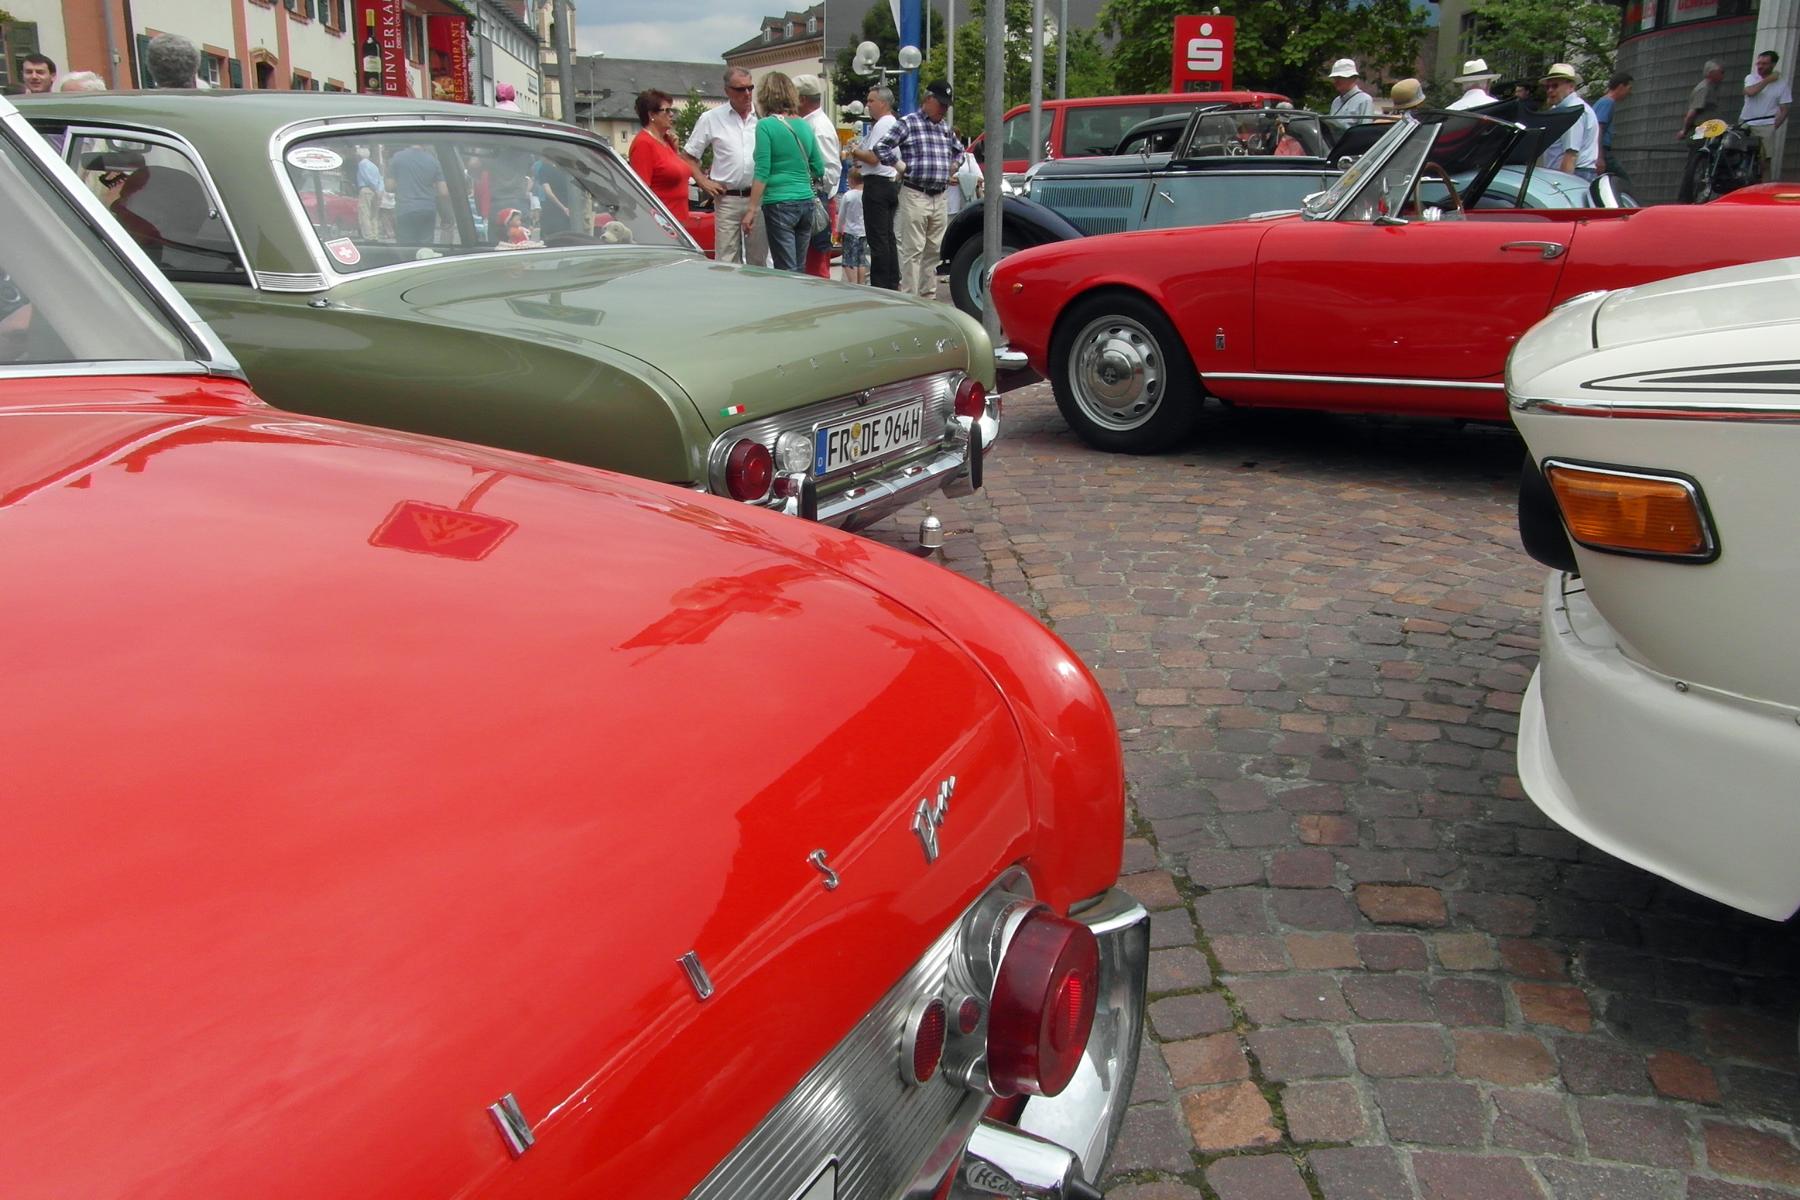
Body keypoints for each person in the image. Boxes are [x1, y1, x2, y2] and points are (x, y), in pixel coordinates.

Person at [872, 79, 960, 300]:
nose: (944, 109)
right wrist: (899, 165)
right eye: (941, 104)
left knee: (934, 251)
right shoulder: (908, 123)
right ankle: (911, 298)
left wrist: (953, 165)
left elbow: (960, 151)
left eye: (947, 105)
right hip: (915, 193)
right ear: (928, 100)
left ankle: (928, 296)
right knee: (913, 250)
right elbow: (881, 146)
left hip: (939, 195)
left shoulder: (945, 128)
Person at [685, 67, 765, 267]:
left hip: (758, 197)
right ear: (727, 91)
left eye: (750, 88)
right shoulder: (711, 118)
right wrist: (703, 182)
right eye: (740, 89)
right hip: (728, 197)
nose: (747, 94)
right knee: (726, 261)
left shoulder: (763, 117)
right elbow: (688, 156)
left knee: (758, 260)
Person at [745, 71, 823, 272]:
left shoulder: (765, 125)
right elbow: (818, 167)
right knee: (799, 267)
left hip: (779, 202)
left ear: (765, 96)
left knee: (785, 269)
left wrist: (751, 209)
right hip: (806, 201)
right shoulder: (804, 125)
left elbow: (762, 171)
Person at [630, 89, 711, 225]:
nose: (671, 114)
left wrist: (676, 151)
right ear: (651, 115)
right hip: (660, 223)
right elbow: (641, 193)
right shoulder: (643, 144)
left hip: (679, 219)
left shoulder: (667, 142)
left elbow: (679, 172)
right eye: (666, 111)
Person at [847, 86, 901, 289]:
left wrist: (855, 151)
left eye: (871, 101)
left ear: (883, 103)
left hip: (877, 184)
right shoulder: (892, 122)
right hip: (889, 182)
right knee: (887, 237)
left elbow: (873, 157)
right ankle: (892, 280)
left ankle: (881, 284)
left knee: (878, 239)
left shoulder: (883, 124)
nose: (867, 105)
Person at [794, 75, 841, 279]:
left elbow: (830, 170)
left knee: (816, 264)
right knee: (811, 263)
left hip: (817, 200)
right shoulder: (812, 124)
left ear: (802, 99)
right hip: (815, 199)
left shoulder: (818, 128)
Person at [1538, 64, 1599, 180]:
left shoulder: (1573, 111)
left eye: (1555, 86)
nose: (1550, 90)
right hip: (1572, 173)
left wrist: (1563, 183)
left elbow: (1571, 155)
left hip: (1574, 174)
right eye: (1547, 87)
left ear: (1571, 87)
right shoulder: (1564, 110)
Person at [1741, 50, 1792, 174]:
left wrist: (1773, 126)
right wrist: (1768, 79)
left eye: (1764, 64)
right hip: (1746, 123)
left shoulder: (1782, 85)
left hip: (1766, 125)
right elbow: (1751, 92)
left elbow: (1785, 109)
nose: (1760, 66)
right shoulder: (1751, 78)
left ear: (1773, 65)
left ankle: (1765, 184)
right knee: (1741, 156)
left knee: (1764, 162)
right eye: (1758, 63)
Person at [387, 142, 446, 245]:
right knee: (425, 248)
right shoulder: (433, 161)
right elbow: (443, 191)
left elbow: (389, 186)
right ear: (424, 144)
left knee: (406, 247)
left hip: (405, 209)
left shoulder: (397, 158)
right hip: (427, 209)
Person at [1592, 73, 1633, 178]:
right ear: (1621, 86)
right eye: (1629, 88)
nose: (1630, 93)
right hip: (1602, 152)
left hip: (1598, 151)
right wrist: (1600, 157)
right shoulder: (1607, 103)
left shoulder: (1603, 102)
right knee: (1622, 180)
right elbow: (1599, 129)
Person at [533, 153, 577, 239]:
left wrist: (563, 208)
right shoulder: (564, 168)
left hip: (553, 208)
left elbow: (548, 192)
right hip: (567, 206)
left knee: (552, 237)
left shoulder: (544, 168)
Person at [838, 169, 868, 284]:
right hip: (863, 232)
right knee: (861, 260)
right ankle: (861, 283)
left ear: (851, 180)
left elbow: (841, 216)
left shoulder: (848, 195)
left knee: (849, 260)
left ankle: (853, 282)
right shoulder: (866, 194)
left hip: (850, 232)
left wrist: (839, 230)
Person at [354, 145, 384, 240]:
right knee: (374, 214)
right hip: (376, 191)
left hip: (366, 189)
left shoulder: (362, 164)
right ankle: (375, 234)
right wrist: (379, 190)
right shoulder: (374, 166)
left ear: (359, 155)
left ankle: (368, 235)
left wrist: (374, 187)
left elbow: (367, 177)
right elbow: (380, 178)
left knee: (365, 213)